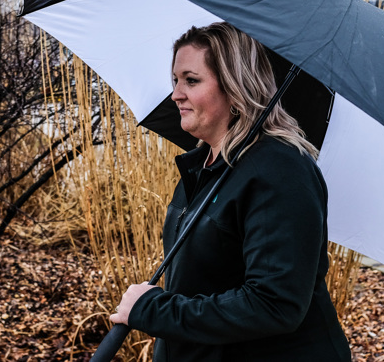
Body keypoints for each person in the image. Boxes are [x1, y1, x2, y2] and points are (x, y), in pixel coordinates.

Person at [108, 22, 351, 361]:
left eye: (191, 81)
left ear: (236, 87)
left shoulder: (280, 170)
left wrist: (154, 310)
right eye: (175, 80)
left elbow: (273, 304)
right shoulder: (204, 166)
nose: (176, 93)